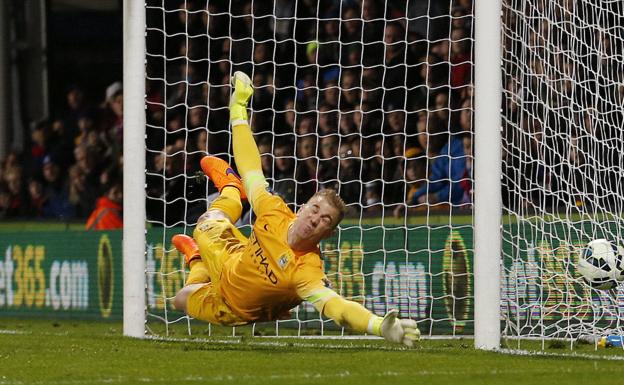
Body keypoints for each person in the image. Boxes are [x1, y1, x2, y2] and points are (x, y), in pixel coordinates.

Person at [171, 71, 419, 346]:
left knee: (179, 299)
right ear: (301, 208)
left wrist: (377, 326)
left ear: (327, 234)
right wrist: (238, 109)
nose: (315, 219)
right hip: (232, 257)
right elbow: (252, 168)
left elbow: (338, 307)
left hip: (231, 307)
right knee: (209, 218)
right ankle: (230, 188)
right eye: (314, 210)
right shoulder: (275, 211)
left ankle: (195, 259)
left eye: (325, 220)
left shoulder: (306, 270)